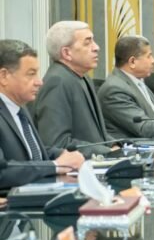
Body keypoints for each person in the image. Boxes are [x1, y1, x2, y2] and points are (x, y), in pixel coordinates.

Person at [0, 40, 85, 189]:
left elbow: (30, 153)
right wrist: (55, 165)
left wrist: (60, 154)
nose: (39, 82)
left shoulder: (19, 108)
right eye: (31, 74)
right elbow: (3, 172)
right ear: (4, 76)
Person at [35, 21, 116, 157]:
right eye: (87, 43)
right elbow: (57, 143)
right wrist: (105, 151)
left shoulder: (82, 77)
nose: (96, 47)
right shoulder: (57, 82)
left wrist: (114, 145)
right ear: (67, 53)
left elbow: (94, 133)